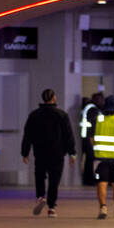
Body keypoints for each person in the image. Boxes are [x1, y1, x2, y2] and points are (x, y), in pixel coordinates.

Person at [20, 88, 76, 218]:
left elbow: (27, 135)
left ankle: (40, 197)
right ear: (54, 98)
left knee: (40, 176)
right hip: (57, 153)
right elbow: (68, 135)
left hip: (40, 152)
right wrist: (72, 153)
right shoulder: (62, 115)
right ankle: (51, 207)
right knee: (54, 180)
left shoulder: (34, 115)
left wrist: (25, 152)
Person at [78, 92, 104, 186]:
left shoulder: (91, 108)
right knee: (90, 160)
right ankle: (89, 180)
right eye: (101, 99)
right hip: (89, 138)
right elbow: (94, 124)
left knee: (89, 160)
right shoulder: (92, 109)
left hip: (87, 137)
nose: (102, 102)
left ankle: (88, 179)